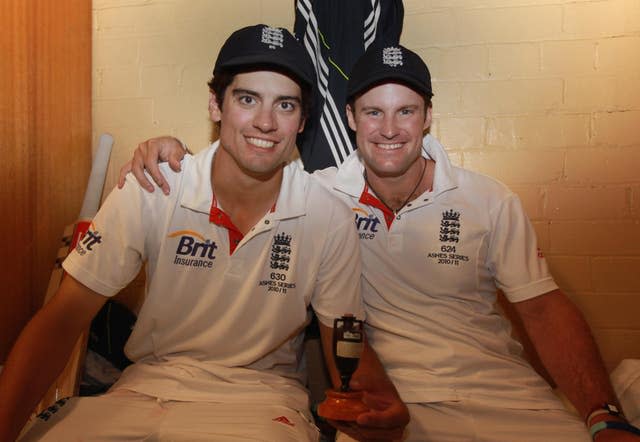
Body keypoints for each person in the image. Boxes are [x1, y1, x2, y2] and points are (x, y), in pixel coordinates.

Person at [122, 42, 640, 442]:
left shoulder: (488, 200)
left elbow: (545, 310)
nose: (389, 129)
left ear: (428, 116)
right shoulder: (321, 197)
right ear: (350, 119)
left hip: (506, 394)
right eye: (373, 112)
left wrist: (603, 414)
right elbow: (247, 165)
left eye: (406, 111)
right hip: (389, 400)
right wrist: (174, 154)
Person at [0, 25, 409, 442]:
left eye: (285, 105)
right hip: (143, 391)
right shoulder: (156, 186)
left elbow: (346, 345)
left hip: (260, 403)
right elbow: (61, 320)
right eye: (247, 99)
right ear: (216, 104)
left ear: (303, 121)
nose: (265, 122)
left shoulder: (327, 215)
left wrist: (380, 401)